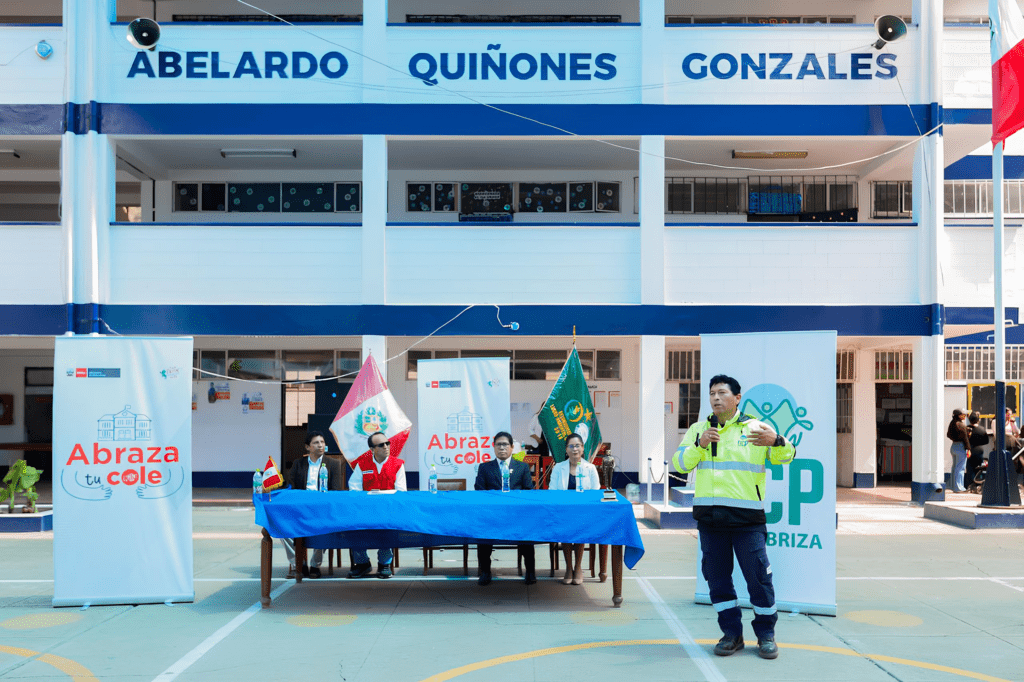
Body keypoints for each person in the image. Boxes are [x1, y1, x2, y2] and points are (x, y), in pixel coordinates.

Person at [670, 374, 795, 660]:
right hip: (710, 521)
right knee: (717, 580)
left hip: (747, 521)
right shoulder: (699, 429)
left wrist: (776, 440)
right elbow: (678, 464)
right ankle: (731, 634)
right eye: (712, 393)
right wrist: (700, 444)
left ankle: (766, 635)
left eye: (722, 393)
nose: (715, 398)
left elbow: (786, 456)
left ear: (737, 398)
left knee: (758, 579)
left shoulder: (755, 427)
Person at [473, 431, 537, 586]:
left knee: (526, 528)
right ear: (493, 447)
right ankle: (485, 571)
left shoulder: (522, 467)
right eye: (498, 444)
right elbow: (479, 491)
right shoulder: (485, 467)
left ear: (512, 447)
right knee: (483, 530)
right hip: (492, 515)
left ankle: (530, 571)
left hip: (517, 515)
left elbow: (529, 491)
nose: (502, 448)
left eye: (505, 444)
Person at [280, 431, 344, 579]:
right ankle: (298, 564)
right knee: (283, 529)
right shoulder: (298, 463)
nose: (320, 445)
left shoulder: (333, 464)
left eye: (322, 442)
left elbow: (336, 490)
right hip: (302, 507)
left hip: (322, 508)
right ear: (307, 447)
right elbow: (292, 486)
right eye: (316, 443)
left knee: (325, 528)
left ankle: (315, 565)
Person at [347, 431, 407, 579]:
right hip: (365, 510)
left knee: (386, 526)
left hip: (388, 510)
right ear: (372, 449)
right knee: (355, 527)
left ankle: (384, 564)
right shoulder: (362, 465)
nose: (386, 447)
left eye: (388, 443)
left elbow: (401, 490)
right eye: (381, 445)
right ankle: (362, 564)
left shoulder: (398, 464)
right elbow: (353, 488)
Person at [549, 433, 601, 585]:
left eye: (577, 445)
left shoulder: (590, 468)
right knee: (566, 527)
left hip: (583, 512)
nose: (574, 449)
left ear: (583, 449)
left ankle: (578, 568)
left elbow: (595, 491)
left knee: (579, 527)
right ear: (566, 450)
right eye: (571, 446)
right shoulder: (558, 468)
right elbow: (552, 491)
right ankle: (568, 567)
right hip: (563, 511)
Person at [946, 409, 970, 493]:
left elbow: (948, 434)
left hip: (954, 446)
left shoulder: (952, 423)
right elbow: (965, 438)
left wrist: (955, 438)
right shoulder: (961, 425)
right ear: (958, 415)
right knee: (960, 468)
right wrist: (968, 449)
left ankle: (953, 486)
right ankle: (959, 487)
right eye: (963, 414)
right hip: (961, 447)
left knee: (954, 467)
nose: (965, 416)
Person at [966, 411, 988, 492]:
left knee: (970, 468)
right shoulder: (982, 429)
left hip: (970, 450)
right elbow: (986, 441)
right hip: (980, 450)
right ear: (978, 420)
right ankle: (978, 485)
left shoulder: (967, 428)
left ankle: (971, 486)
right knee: (979, 468)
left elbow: (965, 440)